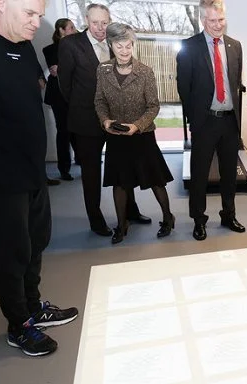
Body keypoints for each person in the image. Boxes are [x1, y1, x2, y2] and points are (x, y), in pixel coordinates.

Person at [0, 0, 78, 357]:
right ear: (1, 4)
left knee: (36, 242)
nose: (37, 23)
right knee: (11, 253)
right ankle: (18, 324)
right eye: (30, 14)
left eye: (40, 15)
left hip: (33, 170)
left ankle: (34, 306)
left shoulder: (22, 46)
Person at [59, 4, 151, 237]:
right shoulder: (70, 44)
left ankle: (130, 210)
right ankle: (96, 219)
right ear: (86, 21)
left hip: (118, 119)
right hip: (86, 121)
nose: (100, 28)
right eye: (95, 23)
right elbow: (65, 87)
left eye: (104, 22)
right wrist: (87, 108)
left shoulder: (116, 42)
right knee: (91, 173)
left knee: (124, 166)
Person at [95, 23, 175, 244]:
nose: (124, 50)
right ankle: (121, 225)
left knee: (156, 181)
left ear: (133, 45)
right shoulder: (102, 70)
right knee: (119, 183)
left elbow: (153, 106)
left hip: (142, 136)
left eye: (128, 46)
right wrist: (105, 120)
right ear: (111, 45)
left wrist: (137, 126)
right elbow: (99, 101)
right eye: (119, 46)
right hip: (116, 137)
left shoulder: (145, 72)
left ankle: (168, 218)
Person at [176, 0, 246, 241]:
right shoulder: (189, 47)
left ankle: (228, 214)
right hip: (205, 122)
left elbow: (236, 83)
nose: (218, 25)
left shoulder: (235, 46)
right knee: (199, 174)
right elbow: (184, 88)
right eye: (213, 21)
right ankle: (199, 219)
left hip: (229, 122)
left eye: (221, 20)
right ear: (203, 21)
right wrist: (194, 120)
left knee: (229, 173)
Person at [43, 18, 77, 181]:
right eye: (71, 27)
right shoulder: (49, 49)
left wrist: (64, 68)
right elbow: (56, 72)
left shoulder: (78, 47)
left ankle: (81, 159)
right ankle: (64, 169)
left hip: (75, 94)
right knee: (64, 130)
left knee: (77, 127)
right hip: (58, 95)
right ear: (61, 30)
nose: (75, 30)